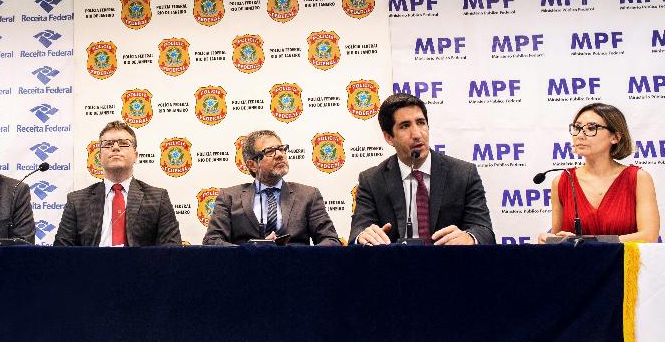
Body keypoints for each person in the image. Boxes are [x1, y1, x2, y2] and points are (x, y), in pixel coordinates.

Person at [351, 93, 494, 245]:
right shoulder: (372, 180)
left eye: (421, 123)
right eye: (405, 126)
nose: (417, 134)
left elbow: (484, 231)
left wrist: (470, 238)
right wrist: (363, 237)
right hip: (395, 260)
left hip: (449, 259)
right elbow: (358, 232)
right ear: (389, 137)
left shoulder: (464, 174)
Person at [539, 102, 659, 243]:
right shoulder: (562, 181)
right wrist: (550, 240)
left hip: (624, 258)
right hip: (577, 259)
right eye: (577, 128)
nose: (580, 135)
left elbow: (649, 236)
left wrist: (586, 242)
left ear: (615, 137)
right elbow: (558, 239)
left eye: (591, 128)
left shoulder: (638, 178)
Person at [202, 129, 340, 246]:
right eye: (270, 151)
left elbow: (331, 240)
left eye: (281, 149)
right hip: (247, 267)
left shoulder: (308, 195)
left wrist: (301, 257)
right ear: (252, 165)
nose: (280, 155)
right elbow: (211, 241)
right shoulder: (229, 197)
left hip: (295, 267)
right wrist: (250, 250)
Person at [55, 121, 181, 247]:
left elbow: (172, 250)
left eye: (123, 143)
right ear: (99, 157)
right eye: (108, 144)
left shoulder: (158, 198)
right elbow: (61, 252)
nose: (115, 148)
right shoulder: (76, 201)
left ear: (135, 156)